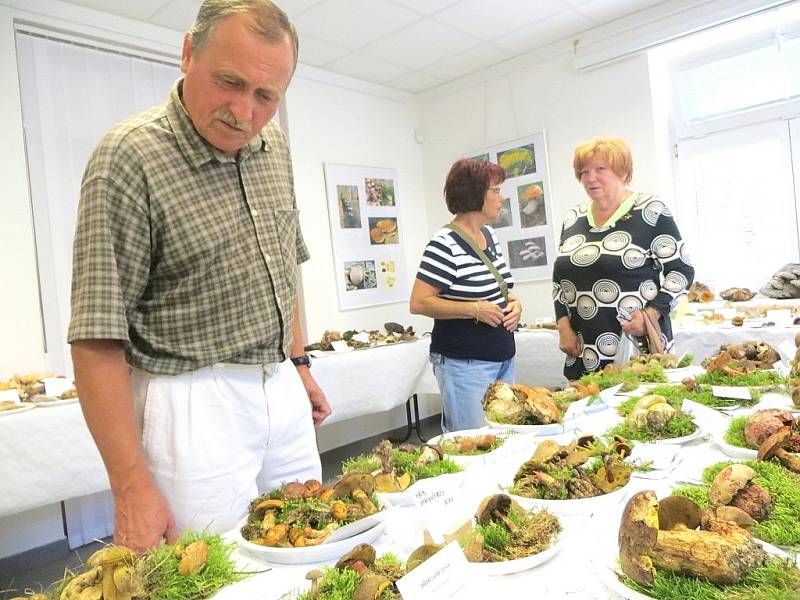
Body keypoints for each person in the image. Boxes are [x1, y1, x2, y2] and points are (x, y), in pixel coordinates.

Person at [68, 0, 331, 552]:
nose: (243, 111)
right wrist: (130, 486)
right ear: (188, 53)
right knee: (213, 569)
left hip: (278, 384)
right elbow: (96, 337)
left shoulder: (273, 146)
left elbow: (285, 268)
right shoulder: (129, 155)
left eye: (266, 96)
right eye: (229, 82)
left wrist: (299, 364)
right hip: (190, 401)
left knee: (312, 540)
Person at [552, 137, 694, 379]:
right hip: (585, 348)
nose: (590, 178)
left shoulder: (650, 209)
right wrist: (563, 327)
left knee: (637, 413)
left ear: (623, 171)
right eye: (584, 171)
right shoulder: (573, 218)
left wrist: (651, 314)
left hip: (637, 344)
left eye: (600, 169)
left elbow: (681, 271)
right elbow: (560, 280)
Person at [410, 159, 522, 432]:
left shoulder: (490, 236)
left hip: (502, 356)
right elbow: (419, 302)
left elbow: (503, 288)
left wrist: (516, 304)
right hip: (466, 364)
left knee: (504, 437)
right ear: (474, 194)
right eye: (495, 190)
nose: (501, 197)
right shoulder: (444, 243)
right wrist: (474, 309)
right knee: (472, 444)